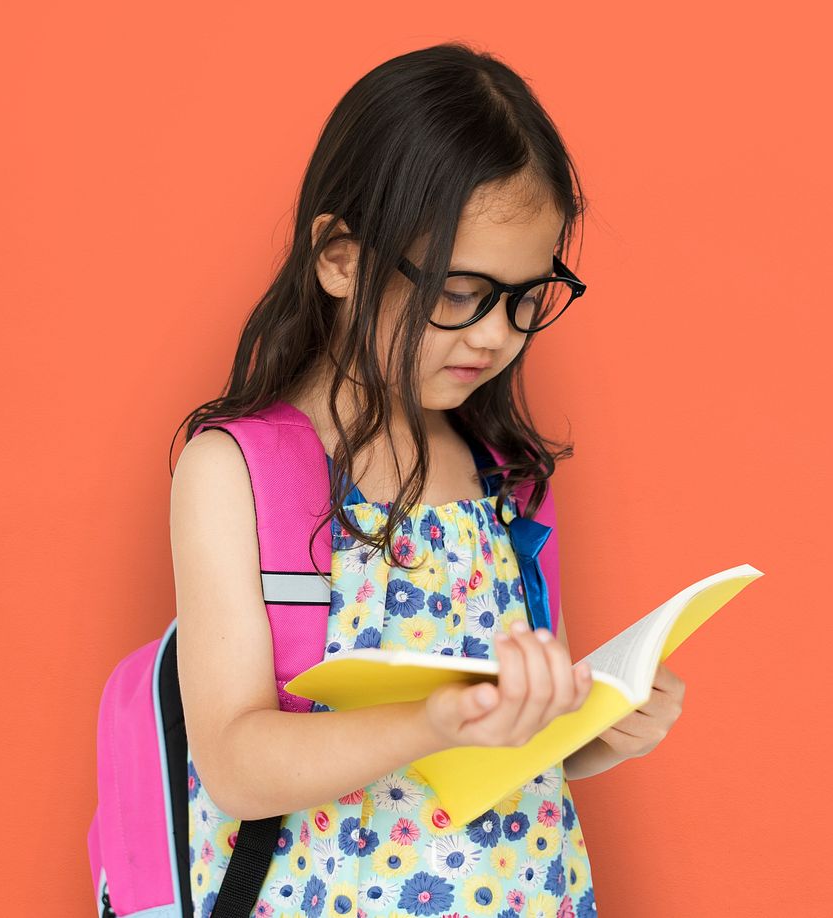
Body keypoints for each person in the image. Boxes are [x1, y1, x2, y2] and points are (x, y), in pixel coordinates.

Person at [170, 42, 684, 918]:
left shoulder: (505, 482)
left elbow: (515, 753)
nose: (495, 337)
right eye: (460, 292)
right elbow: (236, 765)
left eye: (527, 297)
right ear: (340, 257)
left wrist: (599, 732)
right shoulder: (237, 471)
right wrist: (430, 722)